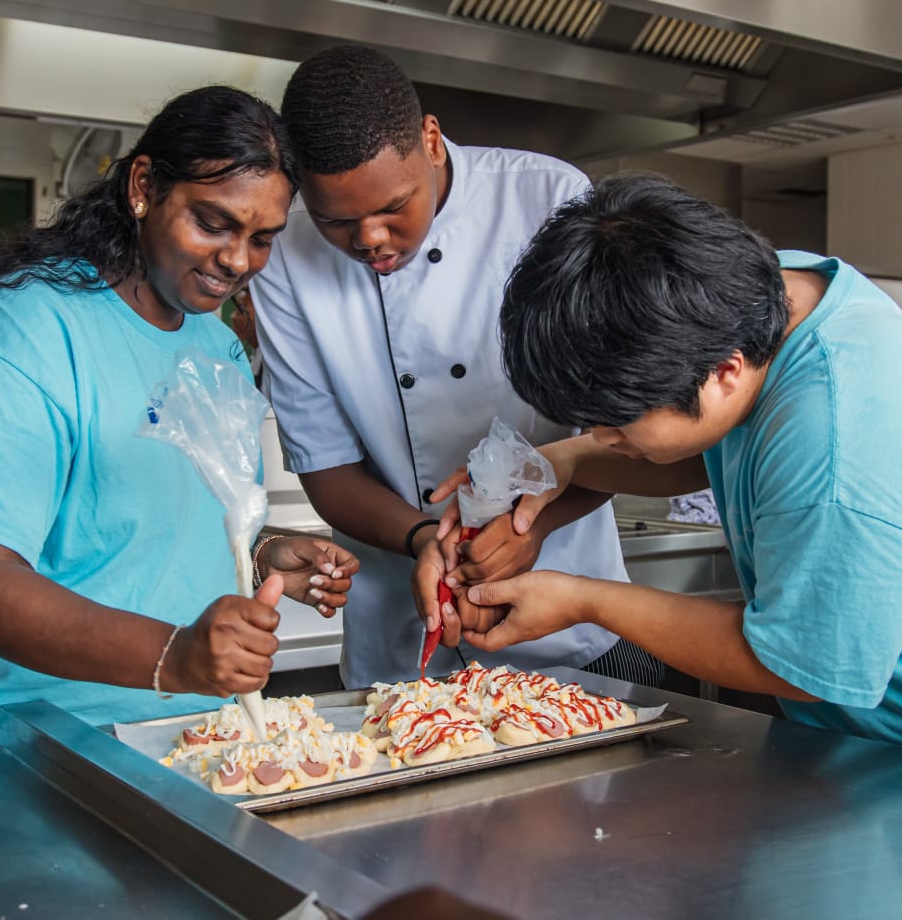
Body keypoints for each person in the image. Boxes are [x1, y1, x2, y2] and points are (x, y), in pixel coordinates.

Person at [433, 173, 902, 801]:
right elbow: (711, 439)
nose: (606, 437)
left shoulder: (844, 445)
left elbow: (798, 661)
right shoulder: (769, 292)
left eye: (616, 424)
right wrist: (567, 461)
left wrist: (582, 597)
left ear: (722, 371)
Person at [0, 86, 358, 758]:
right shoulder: (24, 329)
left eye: (262, 238)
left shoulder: (214, 346)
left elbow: (138, 520)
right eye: (213, 222)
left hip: (164, 738)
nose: (238, 261)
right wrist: (175, 655)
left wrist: (260, 548)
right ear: (144, 186)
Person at [249, 44, 659, 688]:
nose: (370, 240)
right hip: (399, 636)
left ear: (431, 141)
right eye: (338, 221)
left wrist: (535, 522)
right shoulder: (284, 253)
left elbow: (623, 428)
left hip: (563, 621)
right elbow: (326, 467)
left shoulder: (549, 199)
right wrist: (422, 540)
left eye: (393, 207)